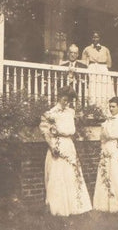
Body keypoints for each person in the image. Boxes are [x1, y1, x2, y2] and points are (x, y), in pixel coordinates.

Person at [39, 88, 92, 217]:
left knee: (71, 173)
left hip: (68, 144)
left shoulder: (71, 112)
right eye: (64, 99)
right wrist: (52, 147)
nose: (66, 102)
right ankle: (59, 207)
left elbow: (71, 129)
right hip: (57, 144)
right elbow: (46, 132)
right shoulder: (50, 113)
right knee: (58, 173)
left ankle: (75, 205)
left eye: (68, 100)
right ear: (59, 97)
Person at [81, 32, 116, 108]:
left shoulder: (105, 49)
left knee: (104, 90)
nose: (95, 39)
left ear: (100, 38)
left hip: (103, 70)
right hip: (92, 69)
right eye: (93, 37)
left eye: (97, 37)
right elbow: (83, 64)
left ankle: (105, 108)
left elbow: (109, 64)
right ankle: (94, 108)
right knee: (93, 89)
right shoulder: (87, 49)